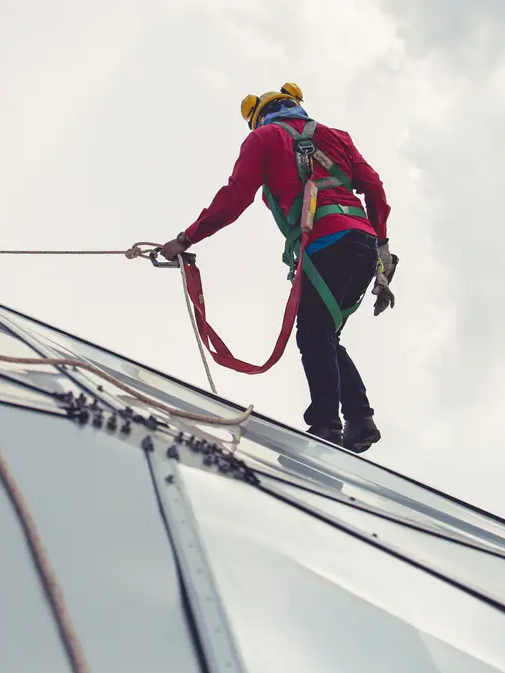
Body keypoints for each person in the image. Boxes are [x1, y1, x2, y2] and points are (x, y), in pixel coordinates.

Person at [159, 82, 396, 453]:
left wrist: (186, 239)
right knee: (323, 334)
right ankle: (359, 419)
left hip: (325, 243)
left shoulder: (264, 138)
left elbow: (235, 197)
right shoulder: (337, 137)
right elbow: (374, 187)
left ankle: (326, 425)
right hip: (363, 245)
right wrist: (381, 243)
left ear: (257, 116)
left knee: (314, 334)